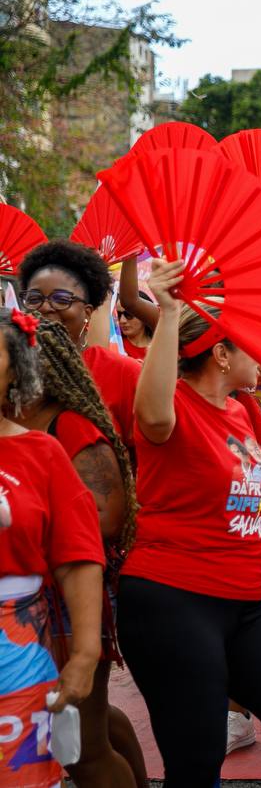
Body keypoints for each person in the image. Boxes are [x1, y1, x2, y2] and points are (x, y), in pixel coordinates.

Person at [115, 258, 261, 785]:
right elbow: (150, 415)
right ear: (220, 354)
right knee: (195, 764)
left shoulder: (240, 413)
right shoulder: (170, 404)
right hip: (172, 600)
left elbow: (248, 505)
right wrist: (169, 314)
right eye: (250, 342)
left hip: (247, 603)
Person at [15, 318, 147, 788]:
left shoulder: (68, 425)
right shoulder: (19, 425)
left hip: (69, 599)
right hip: (34, 599)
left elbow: (106, 518)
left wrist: (29, 520)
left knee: (82, 749)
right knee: (96, 724)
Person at [0, 309, 106, 788]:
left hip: (17, 655)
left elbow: (78, 557)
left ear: (15, 372)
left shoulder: (42, 454)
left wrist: (84, 654)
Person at [19, 241, 140, 451]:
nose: (45, 307)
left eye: (61, 299)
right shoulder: (11, 369)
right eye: (34, 298)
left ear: (87, 311)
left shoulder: (122, 373)